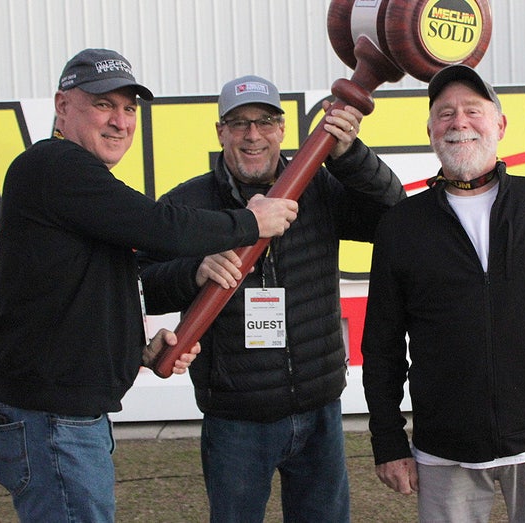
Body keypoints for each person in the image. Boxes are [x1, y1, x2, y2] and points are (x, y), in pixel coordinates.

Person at [0, 49, 299, 522]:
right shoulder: (54, 165)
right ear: (62, 106)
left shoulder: (75, 188)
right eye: (104, 104)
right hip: (51, 420)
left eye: (129, 108)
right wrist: (250, 221)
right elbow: (160, 226)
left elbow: (86, 294)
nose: (120, 121)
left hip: (65, 418)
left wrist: (138, 350)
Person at [137, 75, 405, 522]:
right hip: (236, 418)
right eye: (238, 123)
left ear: (282, 128)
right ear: (220, 131)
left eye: (264, 121)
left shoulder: (318, 188)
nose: (253, 135)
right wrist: (195, 270)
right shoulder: (188, 203)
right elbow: (139, 282)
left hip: (319, 410)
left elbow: (395, 218)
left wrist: (350, 157)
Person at [361, 64, 525, 522]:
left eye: (473, 111)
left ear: (499, 125)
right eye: (445, 113)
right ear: (430, 131)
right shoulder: (402, 224)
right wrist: (388, 439)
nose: (459, 122)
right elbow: (381, 344)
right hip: (443, 451)